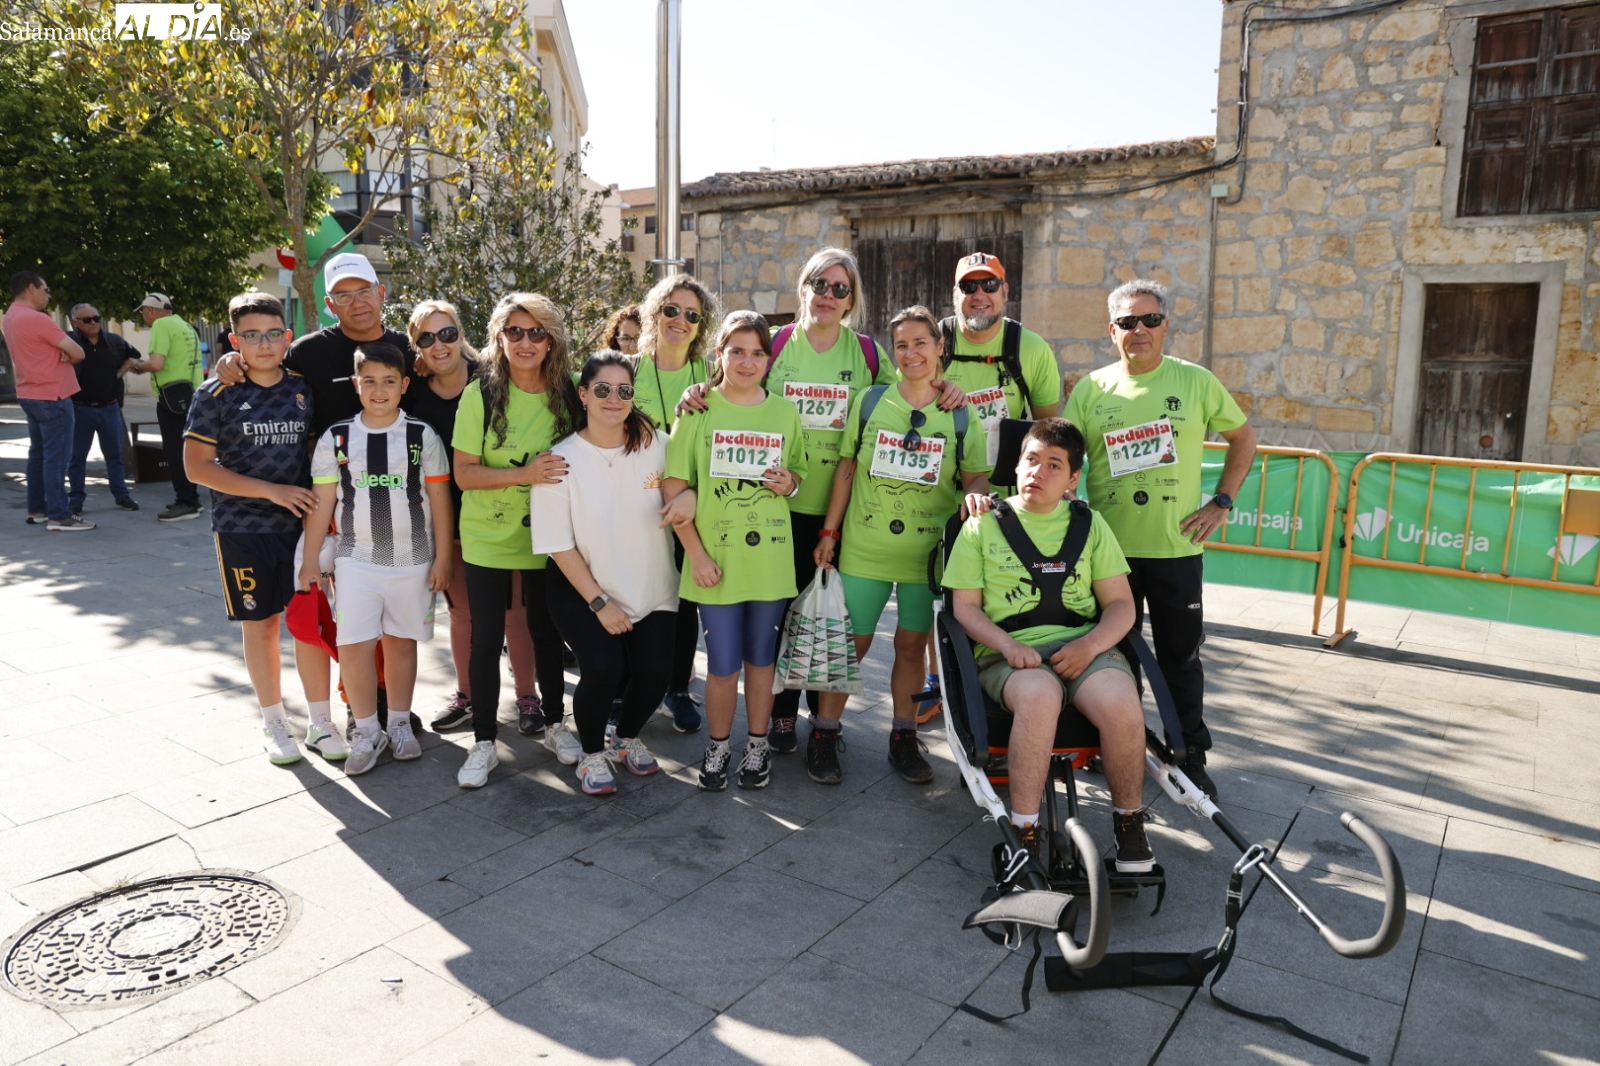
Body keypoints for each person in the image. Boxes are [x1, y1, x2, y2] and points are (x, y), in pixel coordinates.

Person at [1063, 278, 1258, 799]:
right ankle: (1109, 743)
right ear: (1112, 331)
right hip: (1109, 556)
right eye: (1128, 322)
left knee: (1180, 660)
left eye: (1150, 320)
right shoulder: (1091, 390)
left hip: (1176, 550)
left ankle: (1189, 755)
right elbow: (1066, 458)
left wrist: (1222, 501)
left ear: (1166, 325)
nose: (1140, 330)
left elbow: (1243, 438)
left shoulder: (1195, 382)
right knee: (1112, 659)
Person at [214, 253, 421, 734]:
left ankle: (394, 704)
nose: (357, 302)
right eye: (344, 295)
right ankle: (358, 702)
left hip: (400, 497)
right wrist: (230, 360)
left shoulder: (407, 347)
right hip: (335, 502)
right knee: (351, 611)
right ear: (329, 304)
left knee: (394, 612)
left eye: (364, 290)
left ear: (381, 293)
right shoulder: (308, 351)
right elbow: (262, 362)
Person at [945, 418, 1154, 873]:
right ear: (1017, 465)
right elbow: (964, 609)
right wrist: (1006, 644)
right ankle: (1024, 832)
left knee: (1123, 703)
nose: (1038, 471)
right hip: (1009, 653)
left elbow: (1121, 605)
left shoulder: (1090, 524)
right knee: (1040, 697)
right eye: (1031, 460)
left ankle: (1129, 824)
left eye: (1054, 465)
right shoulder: (981, 524)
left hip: (1085, 647)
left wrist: (1090, 645)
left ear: (1073, 478)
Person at [811, 306, 991, 785]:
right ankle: (824, 732)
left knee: (912, 646)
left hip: (927, 557)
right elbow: (846, 468)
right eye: (902, 345)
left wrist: (977, 494)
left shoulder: (960, 411)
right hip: (865, 549)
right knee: (851, 644)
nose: (911, 353)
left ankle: (903, 737)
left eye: (920, 343)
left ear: (939, 347)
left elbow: (975, 475)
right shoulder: (871, 401)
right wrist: (829, 532)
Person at [183, 292, 342, 765]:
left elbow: (316, 454)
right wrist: (271, 491)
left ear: (287, 336)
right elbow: (196, 467)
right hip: (241, 529)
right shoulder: (214, 393)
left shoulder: (302, 388)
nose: (264, 343)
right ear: (235, 342)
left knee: (308, 624)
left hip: (301, 529)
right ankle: (274, 723)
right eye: (251, 336)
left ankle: (320, 723)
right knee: (261, 626)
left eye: (273, 333)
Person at [661, 310, 807, 792]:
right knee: (722, 664)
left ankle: (757, 745)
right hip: (715, 563)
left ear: (769, 359)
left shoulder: (784, 412)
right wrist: (696, 555)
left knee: (762, 660)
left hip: (769, 560)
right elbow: (674, 489)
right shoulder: (697, 410)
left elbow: (798, 474)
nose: (747, 362)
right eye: (737, 351)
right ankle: (719, 745)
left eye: (757, 353)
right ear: (719, 354)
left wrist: (789, 482)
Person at [299, 341, 453, 775]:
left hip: (413, 560)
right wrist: (310, 559)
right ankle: (367, 730)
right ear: (356, 384)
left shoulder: (422, 436)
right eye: (369, 381)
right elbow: (322, 503)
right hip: (355, 560)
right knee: (354, 646)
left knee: (401, 643)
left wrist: (443, 558)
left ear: (404, 385)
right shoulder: (337, 437)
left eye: (389, 381)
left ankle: (399, 723)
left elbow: (441, 500)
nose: (379, 390)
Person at [532, 351, 678, 795]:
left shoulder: (660, 444)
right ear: (583, 394)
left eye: (623, 390)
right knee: (602, 668)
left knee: (655, 674)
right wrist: (599, 601)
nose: (613, 398)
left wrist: (688, 498)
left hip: (653, 583)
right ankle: (592, 753)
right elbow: (558, 545)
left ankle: (625, 738)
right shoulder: (560, 459)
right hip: (581, 587)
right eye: (602, 389)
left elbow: (688, 485)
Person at [452, 292, 579, 789]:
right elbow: (464, 474)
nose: (526, 342)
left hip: (550, 536)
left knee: (547, 633)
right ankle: (484, 741)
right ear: (499, 338)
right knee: (486, 638)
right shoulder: (479, 395)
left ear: (551, 340)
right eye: (515, 331)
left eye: (537, 332)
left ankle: (554, 725)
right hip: (487, 535)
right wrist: (524, 474)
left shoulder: (571, 392)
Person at [403, 300, 540, 734]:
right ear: (415, 348)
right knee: (462, 615)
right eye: (426, 338)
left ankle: (528, 697)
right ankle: (467, 696)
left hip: (504, 514)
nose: (438, 345)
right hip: (445, 521)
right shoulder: (413, 393)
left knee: (515, 614)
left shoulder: (493, 380)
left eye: (447, 333)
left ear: (461, 335)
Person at [630, 274, 719, 733]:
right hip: (635, 509)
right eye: (671, 310)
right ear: (654, 313)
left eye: (691, 315)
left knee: (685, 605)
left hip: (691, 508)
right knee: (635, 600)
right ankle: (626, 690)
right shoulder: (628, 371)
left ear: (701, 326)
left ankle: (678, 688)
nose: (679, 320)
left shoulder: (712, 375)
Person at [5, 272, 91, 531]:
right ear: (32, 288)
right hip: (53, 395)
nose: (48, 295)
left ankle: (38, 510)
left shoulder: (11, 316)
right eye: (45, 290)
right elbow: (78, 352)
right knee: (57, 457)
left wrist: (61, 351)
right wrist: (65, 352)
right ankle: (59, 515)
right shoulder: (37, 319)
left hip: (29, 393)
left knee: (39, 455)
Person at [130, 292, 204, 522]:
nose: (143, 316)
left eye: (143, 311)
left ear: (150, 310)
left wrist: (137, 366)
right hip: (192, 396)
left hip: (172, 399)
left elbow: (156, 364)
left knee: (175, 452)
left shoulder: (161, 325)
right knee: (188, 449)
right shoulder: (186, 326)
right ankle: (191, 498)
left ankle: (186, 502)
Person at [66, 303, 141, 514]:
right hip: (80, 409)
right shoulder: (70, 342)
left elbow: (134, 356)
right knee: (77, 458)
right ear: (75, 323)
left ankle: (121, 495)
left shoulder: (113, 341)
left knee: (114, 456)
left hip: (109, 407)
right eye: (87, 320)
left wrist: (119, 373)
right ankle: (76, 499)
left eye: (96, 318)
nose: (93, 323)